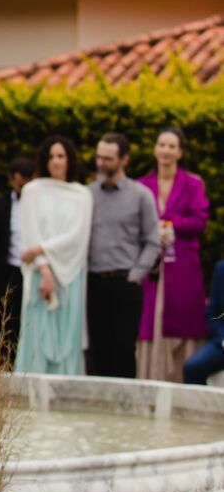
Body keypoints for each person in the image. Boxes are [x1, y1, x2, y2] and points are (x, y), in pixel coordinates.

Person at [136, 128, 210, 384]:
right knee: (148, 320)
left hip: (183, 264)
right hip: (151, 266)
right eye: (162, 145)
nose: (166, 151)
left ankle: (180, 379)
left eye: (171, 146)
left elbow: (200, 221)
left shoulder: (193, 183)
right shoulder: (142, 185)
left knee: (183, 319)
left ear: (180, 152)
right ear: (155, 149)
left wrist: (169, 223)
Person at [14, 137, 92, 377]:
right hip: (41, 274)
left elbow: (78, 235)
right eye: (51, 156)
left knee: (67, 336)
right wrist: (44, 269)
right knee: (38, 334)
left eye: (61, 156)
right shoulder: (32, 191)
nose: (56, 161)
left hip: (70, 274)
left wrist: (39, 249)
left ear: (69, 160)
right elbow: (30, 231)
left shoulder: (82, 194)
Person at [85, 132, 159, 380]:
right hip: (93, 282)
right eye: (98, 157)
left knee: (124, 349)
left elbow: (153, 241)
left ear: (124, 159)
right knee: (96, 350)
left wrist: (136, 275)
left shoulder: (141, 195)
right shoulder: (87, 195)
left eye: (108, 158)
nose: (101, 163)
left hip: (125, 284)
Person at [0, 156, 35, 346]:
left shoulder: (39, 205)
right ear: (12, 179)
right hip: (8, 272)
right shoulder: (0, 205)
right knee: (7, 323)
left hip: (34, 270)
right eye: (20, 179)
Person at [184, 261, 224, 385]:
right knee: (192, 368)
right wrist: (222, 339)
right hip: (222, 343)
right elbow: (212, 313)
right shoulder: (221, 269)